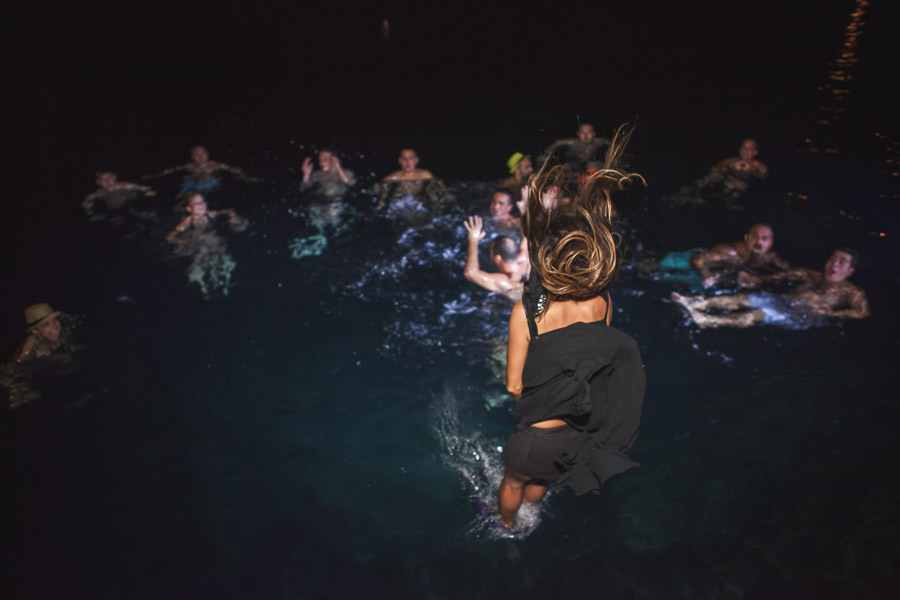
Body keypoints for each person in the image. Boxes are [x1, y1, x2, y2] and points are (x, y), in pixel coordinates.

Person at [497, 126, 646, 530]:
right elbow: (598, 353)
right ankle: (533, 511)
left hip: (536, 431)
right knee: (541, 477)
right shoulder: (604, 301)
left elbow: (513, 386)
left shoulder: (527, 312)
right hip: (579, 430)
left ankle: (506, 526)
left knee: (514, 478)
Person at [672, 248, 869, 328]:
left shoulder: (853, 292)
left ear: (850, 271)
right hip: (783, 301)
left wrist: (826, 312)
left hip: (801, 316)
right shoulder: (811, 274)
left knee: (759, 312)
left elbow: (861, 313)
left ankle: (707, 320)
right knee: (742, 298)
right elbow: (782, 275)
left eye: (841, 262)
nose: (834, 264)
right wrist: (757, 280)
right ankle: (696, 302)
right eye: (833, 258)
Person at [166, 193, 248, 297]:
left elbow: (229, 210)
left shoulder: (210, 214)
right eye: (196, 203)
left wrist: (233, 217)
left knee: (225, 260)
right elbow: (170, 237)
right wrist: (183, 242)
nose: (201, 204)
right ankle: (203, 288)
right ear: (189, 209)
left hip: (216, 246)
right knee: (199, 263)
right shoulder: (186, 222)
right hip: (199, 248)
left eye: (202, 201)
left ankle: (227, 284)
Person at [689, 223, 789, 288]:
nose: (758, 241)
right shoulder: (730, 253)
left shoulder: (771, 257)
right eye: (754, 237)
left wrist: (763, 278)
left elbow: (791, 271)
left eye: (764, 238)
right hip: (688, 260)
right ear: (746, 238)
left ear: (771, 243)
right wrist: (706, 274)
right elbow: (697, 259)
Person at [462, 216, 529, 302]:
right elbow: (528, 232)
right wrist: (524, 213)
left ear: (497, 258)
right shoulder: (526, 260)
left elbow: (471, 273)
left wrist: (473, 240)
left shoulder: (507, 283)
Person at [147, 145, 255, 195]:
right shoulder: (188, 166)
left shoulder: (215, 165)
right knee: (181, 196)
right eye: (197, 155)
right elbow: (170, 170)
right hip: (191, 184)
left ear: (207, 155)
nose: (201, 157)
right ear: (192, 157)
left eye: (203, 153)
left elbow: (234, 170)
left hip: (211, 185)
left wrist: (246, 178)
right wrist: (153, 177)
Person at [375, 148, 450, 214]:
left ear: (416, 161)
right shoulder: (393, 178)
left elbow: (439, 183)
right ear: (400, 161)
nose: (407, 161)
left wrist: (447, 194)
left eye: (410, 158)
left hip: (420, 203)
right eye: (404, 158)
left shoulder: (425, 175)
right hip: (401, 204)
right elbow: (380, 189)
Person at [82, 170, 156, 215]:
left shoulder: (127, 186)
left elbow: (146, 188)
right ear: (98, 182)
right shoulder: (98, 194)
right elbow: (86, 203)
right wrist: (88, 209)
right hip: (113, 213)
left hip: (133, 205)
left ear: (114, 177)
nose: (107, 181)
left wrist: (148, 192)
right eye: (103, 180)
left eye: (109, 178)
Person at [541, 123, 610, 171]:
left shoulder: (599, 142)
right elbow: (556, 144)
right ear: (578, 134)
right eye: (583, 132)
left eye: (589, 132)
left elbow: (614, 146)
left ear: (594, 134)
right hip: (574, 166)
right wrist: (546, 156)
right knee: (563, 168)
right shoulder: (572, 143)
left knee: (598, 166)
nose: (586, 135)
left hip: (592, 167)